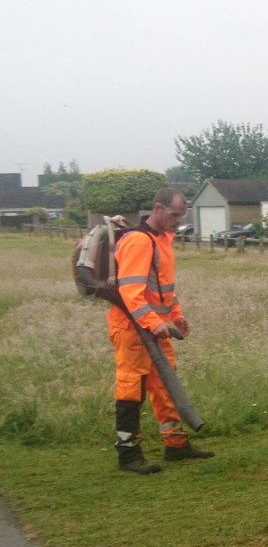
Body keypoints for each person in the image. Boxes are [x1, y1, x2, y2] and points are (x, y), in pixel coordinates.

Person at [109, 187, 213, 474]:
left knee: (166, 386)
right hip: (132, 329)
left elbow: (164, 290)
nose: (179, 220)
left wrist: (176, 317)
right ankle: (128, 454)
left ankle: (176, 446)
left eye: (182, 215)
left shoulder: (163, 239)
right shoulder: (139, 242)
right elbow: (131, 292)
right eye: (175, 214)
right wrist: (155, 324)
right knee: (131, 388)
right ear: (158, 208)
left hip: (158, 329)